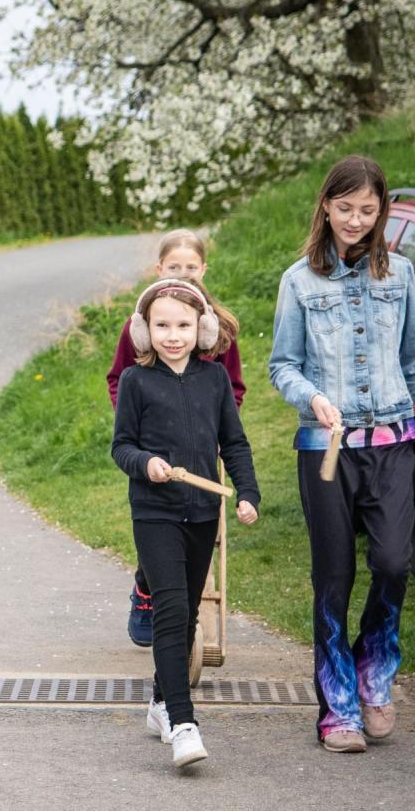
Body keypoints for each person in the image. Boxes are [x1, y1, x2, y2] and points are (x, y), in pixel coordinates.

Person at [269, 154, 415, 754]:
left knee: (395, 563)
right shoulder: (298, 281)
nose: (356, 220)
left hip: (395, 443)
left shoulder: (402, 274)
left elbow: (410, 362)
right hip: (324, 447)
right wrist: (313, 398)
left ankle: (373, 672)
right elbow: (283, 365)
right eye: (345, 207)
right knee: (333, 576)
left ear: (381, 212)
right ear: (326, 206)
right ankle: (338, 708)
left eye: (368, 209)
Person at [112, 278, 259, 768]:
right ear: (143, 330)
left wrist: (247, 493)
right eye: (161, 326)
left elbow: (233, 443)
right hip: (154, 513)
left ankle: (160, 701)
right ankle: (182, 722)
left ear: (203, 328)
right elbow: (121, 447)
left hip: (202, 513)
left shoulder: (214, 379)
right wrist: (145, 463)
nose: (172, 335)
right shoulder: (135, 381)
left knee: (188, 611)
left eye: (182, 325)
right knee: (171, 609)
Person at [106, 229, 247, 648]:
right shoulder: (141, 326)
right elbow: (120, 378)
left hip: (204, 442)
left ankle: (181, 618)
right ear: (159, 269)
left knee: (197, 525)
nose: (183, 273)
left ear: (203, 269)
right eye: (173, 267)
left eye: (191, 267)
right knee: (159, 522)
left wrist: (217, 426)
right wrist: (138, 421)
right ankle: (147, 589)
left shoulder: (217, 328)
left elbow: (233, 387)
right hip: (153, 444)